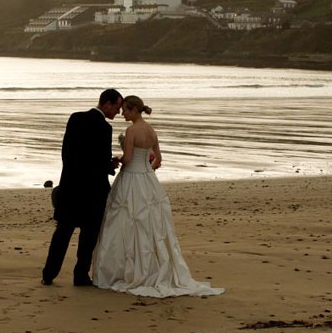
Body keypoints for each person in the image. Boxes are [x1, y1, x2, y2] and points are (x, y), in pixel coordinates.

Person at [93, 95, 224, 298]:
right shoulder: (151, 130)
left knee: (125, 221)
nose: (122, 114)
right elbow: (158, 160)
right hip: (147, 180)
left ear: (134, 110)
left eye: (125, 110)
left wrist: (117, 159)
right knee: (149, 223)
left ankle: (122, 271)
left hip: (131, 179)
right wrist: (147, 170)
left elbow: (128, 158)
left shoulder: (131, 131)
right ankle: (151, 268)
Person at [42, 88, 124, 286]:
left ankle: (49, 274)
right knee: (88, 236)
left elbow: (67, 152)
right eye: (117, 107)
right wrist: (110, 165)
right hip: (93, 191)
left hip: (71, 185)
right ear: (107, 104)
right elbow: (99, 160)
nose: (118, 112)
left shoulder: (75, 118)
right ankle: (80, 275)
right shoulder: (105, 128)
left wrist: (71, 175)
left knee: (62, 232)